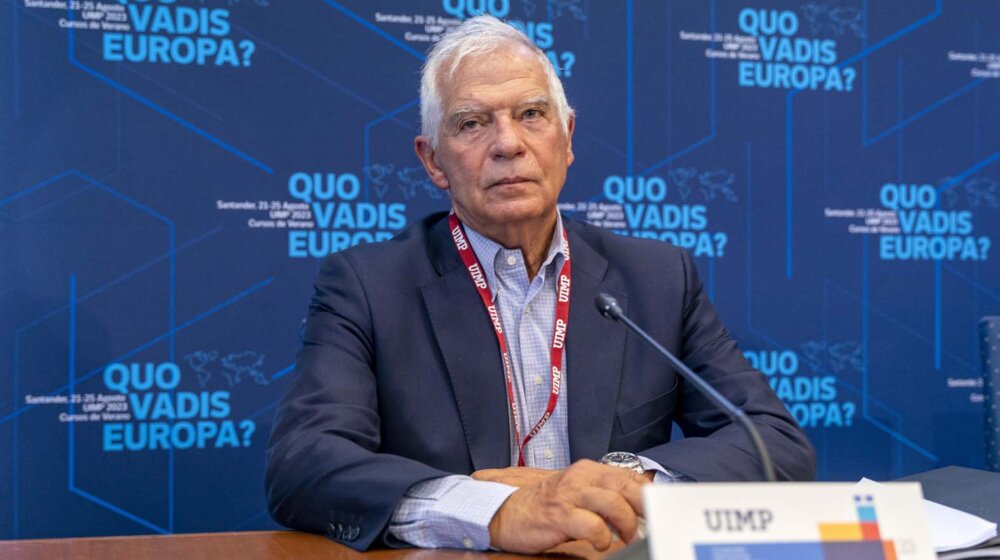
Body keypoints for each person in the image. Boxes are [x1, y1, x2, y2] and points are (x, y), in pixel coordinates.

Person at [265, 15, 815, 554]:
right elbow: (303, 464)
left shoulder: (658, 278)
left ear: (567, 136)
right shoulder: (367, 287)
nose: (508, 144)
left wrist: (623, 483)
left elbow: (775, 442)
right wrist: (495, 512)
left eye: (531, 114)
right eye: (472, 123)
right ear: (433, 160)